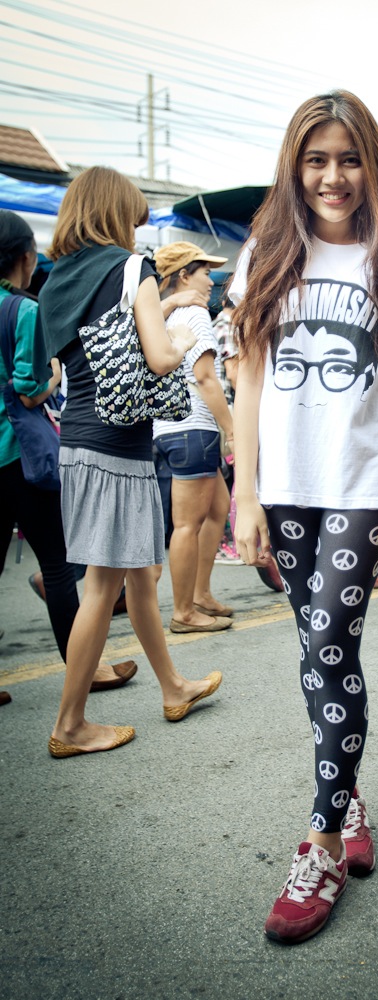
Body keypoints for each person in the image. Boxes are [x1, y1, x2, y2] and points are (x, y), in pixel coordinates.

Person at [230, 90, 378, 944]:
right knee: (321, 650)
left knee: (326, 643)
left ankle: (321, 844)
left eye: (349, 158)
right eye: (316, 159)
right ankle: (346, 794)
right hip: (285, 485)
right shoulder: (266, 253)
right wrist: (245, 492)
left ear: (372, 165)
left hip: (364, 484)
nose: (333, 176)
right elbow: (249, 378)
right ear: (294, 166)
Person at [38, 167, 222, 757]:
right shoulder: (130, 266)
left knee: (140, 575)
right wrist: (183, 336)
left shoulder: (56, 279)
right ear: (115, 214)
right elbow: (161, 358)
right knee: (102, 586)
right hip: (117, 449)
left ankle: (173, 687)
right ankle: (70, 725)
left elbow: (80, 357)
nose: (136, 231)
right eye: (133, 218)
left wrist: (162, 303)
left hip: (80, 442)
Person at [0, 209, 137, 705]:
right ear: (25, 257)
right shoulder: (22, 309)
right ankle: (86, 670)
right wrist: (53, 377)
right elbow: (28, 389)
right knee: (58, 566)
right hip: (19, 454)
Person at [152, 242, 235, 633]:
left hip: (168, 429)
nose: (211, 280)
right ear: (184, 275)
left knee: (218, 508)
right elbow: (205, 378)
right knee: (187, 524)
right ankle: (183, 612)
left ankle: (200, 594)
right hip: (192, 428)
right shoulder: (196, 314)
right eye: (205, 272)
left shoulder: (160, 316)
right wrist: (231, 429)